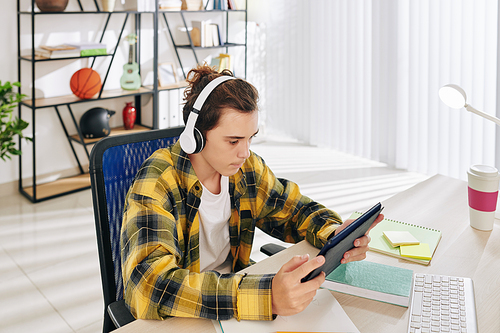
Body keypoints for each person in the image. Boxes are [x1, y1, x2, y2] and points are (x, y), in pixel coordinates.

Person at [120, 64, 383, 321]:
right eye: (233, 141)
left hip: (232, 304)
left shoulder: (245, 169)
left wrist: (335, 233)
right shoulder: (157, 180)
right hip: (186, 313)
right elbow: (149, 283)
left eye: (250, 138)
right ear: (196, 135)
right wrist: (265, 297)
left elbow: (294, 210)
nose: (244, 152)